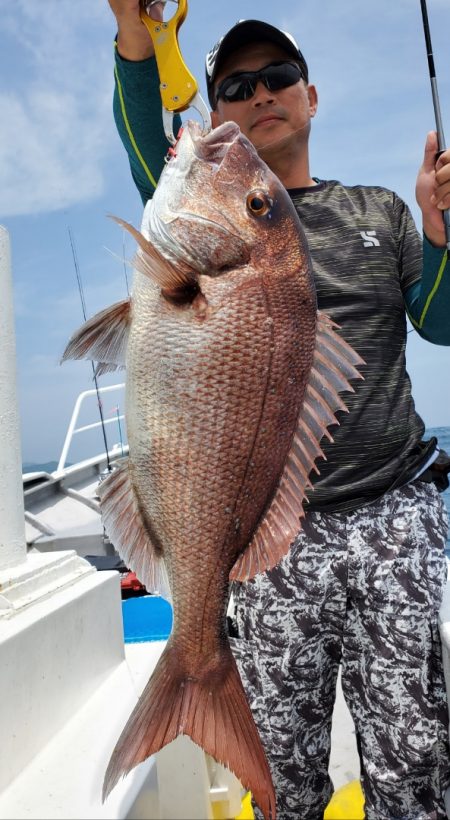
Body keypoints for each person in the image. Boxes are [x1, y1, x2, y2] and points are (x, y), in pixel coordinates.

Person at [107, 2, 450, 818]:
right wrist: (135, 34)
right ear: (216, 112)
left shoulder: (381, 211)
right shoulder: (195, 200)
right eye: (236, 85)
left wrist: (439, 236)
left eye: (280, 76)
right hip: (263, 539)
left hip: (393, 514)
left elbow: (441, 322)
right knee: (283, 780)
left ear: (312, 96)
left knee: (414, 765)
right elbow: (144, 137)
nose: (261, 92)